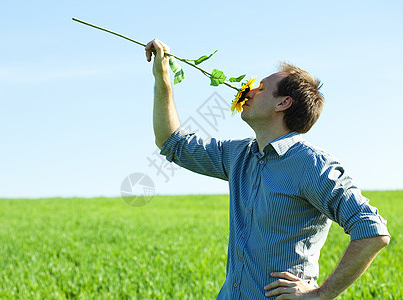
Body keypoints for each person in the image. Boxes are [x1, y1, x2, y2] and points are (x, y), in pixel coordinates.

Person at [145, 39, 390, 299]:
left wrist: (319, 294)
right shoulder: (239, 155)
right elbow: (173, 143)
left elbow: (372, 230)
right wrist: (163, 78)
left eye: (259, 88)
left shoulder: (312, 164)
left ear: (282, 103)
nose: (247, 91)